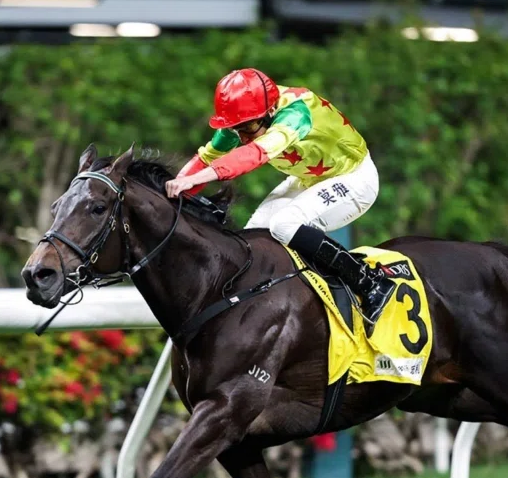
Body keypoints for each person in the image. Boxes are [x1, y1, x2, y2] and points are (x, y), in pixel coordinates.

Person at [165, 67, 395, 326]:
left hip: (355, 179)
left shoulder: (296, 114)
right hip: (311, 179)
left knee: (284, 225)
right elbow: (206, 158)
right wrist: (173, 191)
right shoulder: (244, 118)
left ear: (270, 112)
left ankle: (370, 282)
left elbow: (254, 155)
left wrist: (197, 180)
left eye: (249, 128)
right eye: (235, 129)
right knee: (253, 238)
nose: (242, 137)